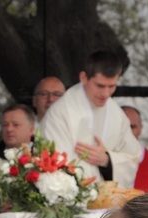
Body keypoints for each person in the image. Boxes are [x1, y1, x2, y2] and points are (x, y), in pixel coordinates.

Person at [40, 50, 140, 186]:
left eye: (112, 86)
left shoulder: (116, 113)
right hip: (72, 201)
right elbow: (52, 162)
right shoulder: (60, 112)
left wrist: (106, 160)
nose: (106, 93)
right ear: (83, 77)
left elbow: (132, 157)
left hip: (108, 201)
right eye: (100, 86)